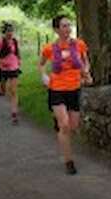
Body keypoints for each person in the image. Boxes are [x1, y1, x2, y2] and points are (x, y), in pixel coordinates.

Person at [38, 15, 93, 175]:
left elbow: (85, 62)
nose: (68, 29)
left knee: (73, 127)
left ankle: (60, 123)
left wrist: (86, 72)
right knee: (64, 125)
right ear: (56, 29)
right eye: (64, 26)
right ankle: (69, 161)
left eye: (69, 25)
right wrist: (44, 76)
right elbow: (41, 64)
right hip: (57, 89)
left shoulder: (80, 45)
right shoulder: (49, 48)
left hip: (74, 88)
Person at [0, 21, 21, 125]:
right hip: (3, 69)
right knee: (3, 90)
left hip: (14, 68)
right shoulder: (0, 42)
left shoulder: (15, 41)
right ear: (4, 32)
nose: (10, 33)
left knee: (13, 91)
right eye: (8, 31)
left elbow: (17, 52)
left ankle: (14, 114)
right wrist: (0, 61)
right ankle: (1, 89)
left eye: (12, 31)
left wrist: (19, 60)